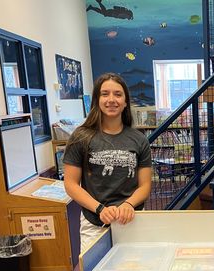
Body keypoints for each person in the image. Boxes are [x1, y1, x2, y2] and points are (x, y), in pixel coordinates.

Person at [64, 73, 152, 251]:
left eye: (118, 94)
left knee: (133, 269)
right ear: (97, 99)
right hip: (94, 221)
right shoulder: (80, 137)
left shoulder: (139, 139)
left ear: (126, 101)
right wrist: (100, 209)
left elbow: (144, 186)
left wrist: (128, 204)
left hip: (131, 217)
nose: (111, 99)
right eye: (105, 94)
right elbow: (71, 184)